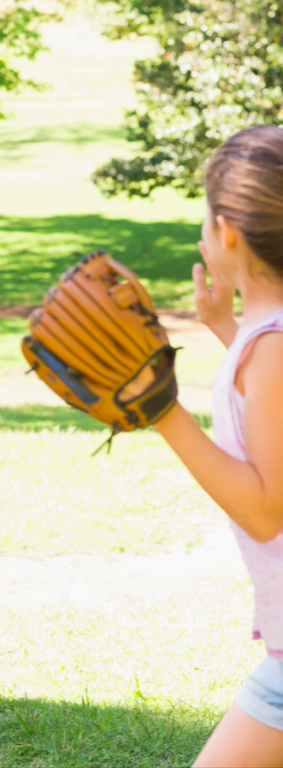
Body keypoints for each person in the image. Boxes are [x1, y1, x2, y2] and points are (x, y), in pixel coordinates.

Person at [143, 125, 283, 767]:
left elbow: (266, 508)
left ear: (226, 232)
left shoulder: (271, 346)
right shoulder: (265, 340)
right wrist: (226, 326)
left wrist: (162, 411)